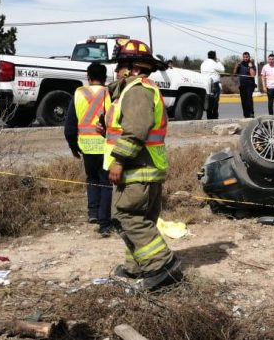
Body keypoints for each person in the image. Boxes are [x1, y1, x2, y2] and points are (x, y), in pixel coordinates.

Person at [104, 39, 182, 291]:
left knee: (127, 215)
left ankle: (163, 266)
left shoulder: (137, 89)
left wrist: (119, 160)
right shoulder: (136, 89)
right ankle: (136, 267)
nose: (116, 71)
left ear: (133, 69)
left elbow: (136, 130)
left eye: (120, 66)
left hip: (138, 168)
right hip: (143, 169)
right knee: (137, 218)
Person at [64, 63, 112, 237]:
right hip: (105, 145)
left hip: (86, 146)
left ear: (88, 76)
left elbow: (69, 126)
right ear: (105, 77)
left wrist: (73, 146)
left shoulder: (78, 93)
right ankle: (104, 222)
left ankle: (92, 212)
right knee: (106, 183)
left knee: (91, 179)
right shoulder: (110, 93)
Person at [200, 50, 225, 119]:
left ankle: (209, 117)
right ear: (215, 56)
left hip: (205, 84)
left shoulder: (203, 63)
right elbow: (222, 70)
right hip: (214, 84)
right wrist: (219, 61)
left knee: (209, 100)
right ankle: (214, 117)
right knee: (215, 102)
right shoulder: (213, 63)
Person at [234, 52, 256, 118]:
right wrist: (236, 67)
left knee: (249, 98)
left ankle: (251, 113)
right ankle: (246, 115)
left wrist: (250, 67)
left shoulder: (252, 64)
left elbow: (253, 75)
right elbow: (235, 74)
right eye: (244, 57)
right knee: (243, 100)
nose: (245, 58)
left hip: (250, 85)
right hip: (242, 85)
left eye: (247, 57)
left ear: (249, 57)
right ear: (242, 57)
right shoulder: (240, 64)